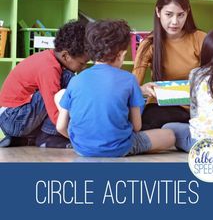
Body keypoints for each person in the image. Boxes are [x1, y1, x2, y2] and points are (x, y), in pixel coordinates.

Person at [55, 19, 175, 157]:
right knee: (169, 135)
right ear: (120, 55)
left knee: (60, 96)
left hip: (82, 148)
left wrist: (81, 142)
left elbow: (60, 127)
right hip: (119, 148)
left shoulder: (76, 80)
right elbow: (137, 127)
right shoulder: (129, 79)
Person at [0, 20, 88, 148]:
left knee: (63, 84)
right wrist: (77, 137)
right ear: (65, 56)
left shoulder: (50, 58)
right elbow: (54, 111)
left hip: (10, 118)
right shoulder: (49, 69)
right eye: (82, 63)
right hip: (13, 118)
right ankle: (48, 137)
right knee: (66, 83)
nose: (84, 67)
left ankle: (25, 139)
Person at [132, 0, 206, 129]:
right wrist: (142, 89)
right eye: (169, 14)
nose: (174, 22)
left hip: (197, 106)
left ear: (187, 13)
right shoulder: (148, 44)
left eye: (180, 15)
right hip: (162, 107)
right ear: (158, 12)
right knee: (147, 122)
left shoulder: (200, 38)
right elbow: (133, 86)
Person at [162, 28, 213, 154]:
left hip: (202, 143)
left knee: (167, 128)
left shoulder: (197, 74)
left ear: (206, 51)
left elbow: (194, 111)